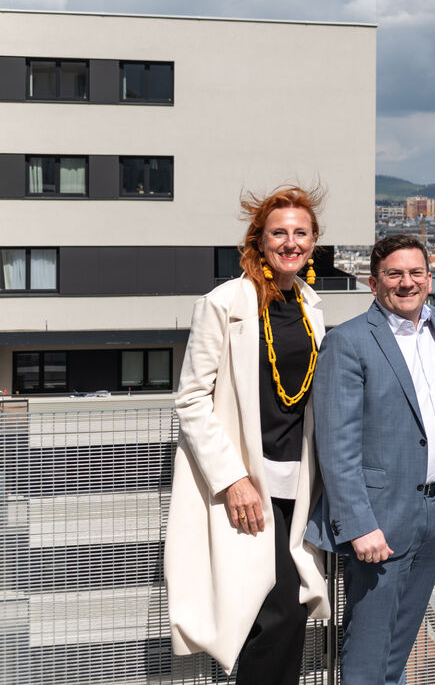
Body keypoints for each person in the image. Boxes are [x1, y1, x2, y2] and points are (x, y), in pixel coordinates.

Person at [305, 233, 435, 685]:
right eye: (394, 274)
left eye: (415, 273)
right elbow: (336, 445)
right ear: (373, 283)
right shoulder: (348, 342)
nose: (406, 283)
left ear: (429, 279)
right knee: (369, 653)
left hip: (431, 508)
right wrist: (359, 525)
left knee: (401, 645)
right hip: (379, 518)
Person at [165, 185, 330, 683]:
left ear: (314, 241)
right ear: (258, 241)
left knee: (288, 609)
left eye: (300, 233)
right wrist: (232, 479)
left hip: (299, 483)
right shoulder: (222, 303)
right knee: (274, 613)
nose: (290, 242)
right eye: (279, 232)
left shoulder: (311, 305)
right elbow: (191, 399)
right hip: (247, 484)